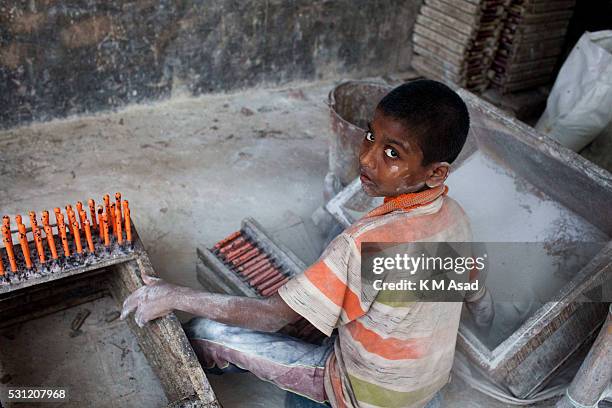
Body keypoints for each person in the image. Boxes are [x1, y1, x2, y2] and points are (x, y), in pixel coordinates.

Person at [120, 79, 494, 408]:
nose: (366, 157)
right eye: (370, 135)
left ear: (436, 173)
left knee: (207, 332)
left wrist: (174, 295)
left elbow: (271, 317)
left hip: (361, 394)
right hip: (424, 391)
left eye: (392, 153)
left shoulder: (360, 244)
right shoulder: (457, 217)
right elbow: (477, 295)